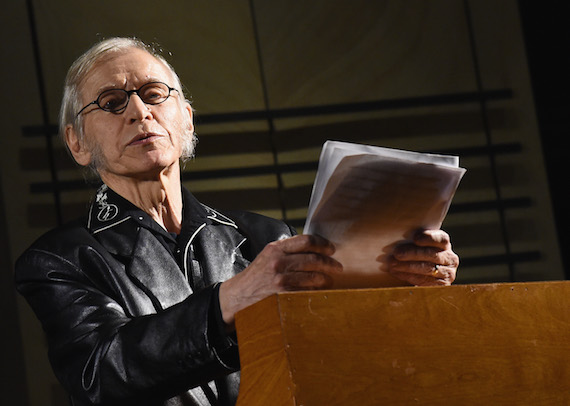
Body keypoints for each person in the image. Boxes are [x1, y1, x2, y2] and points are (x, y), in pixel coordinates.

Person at [15, 37, 460, 406]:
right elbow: (102, 376)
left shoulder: (266, 237)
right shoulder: (60, 259)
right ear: (77, 143)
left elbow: (339, 360)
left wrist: (405, 290)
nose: (139, 112)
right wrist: (234, 298)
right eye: (112, 102)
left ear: (186, 119)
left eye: (154, 94)